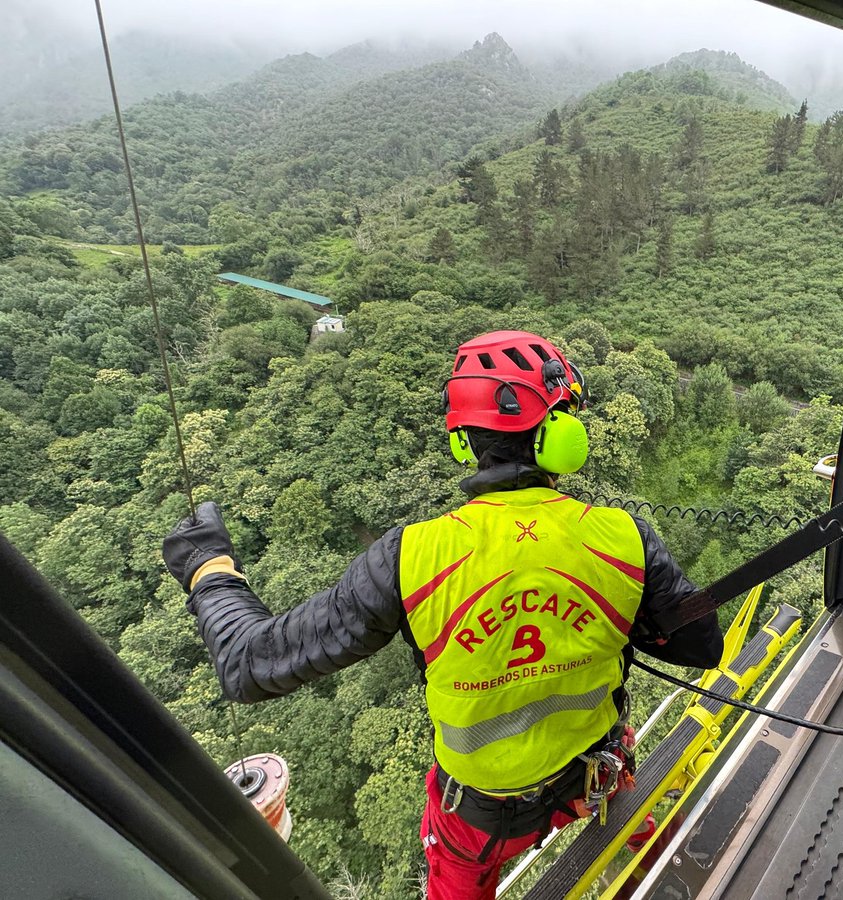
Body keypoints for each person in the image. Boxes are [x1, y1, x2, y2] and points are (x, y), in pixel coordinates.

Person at [162, 329, 723, 900]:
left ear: (462, 442)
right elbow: (702, 647)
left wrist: (210, 569)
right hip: (596, 774)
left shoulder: (410, 557)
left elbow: (248, 665)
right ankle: (681, 881)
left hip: (478, 818)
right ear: (560, 436)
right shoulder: (624, 538)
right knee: (649, 848)